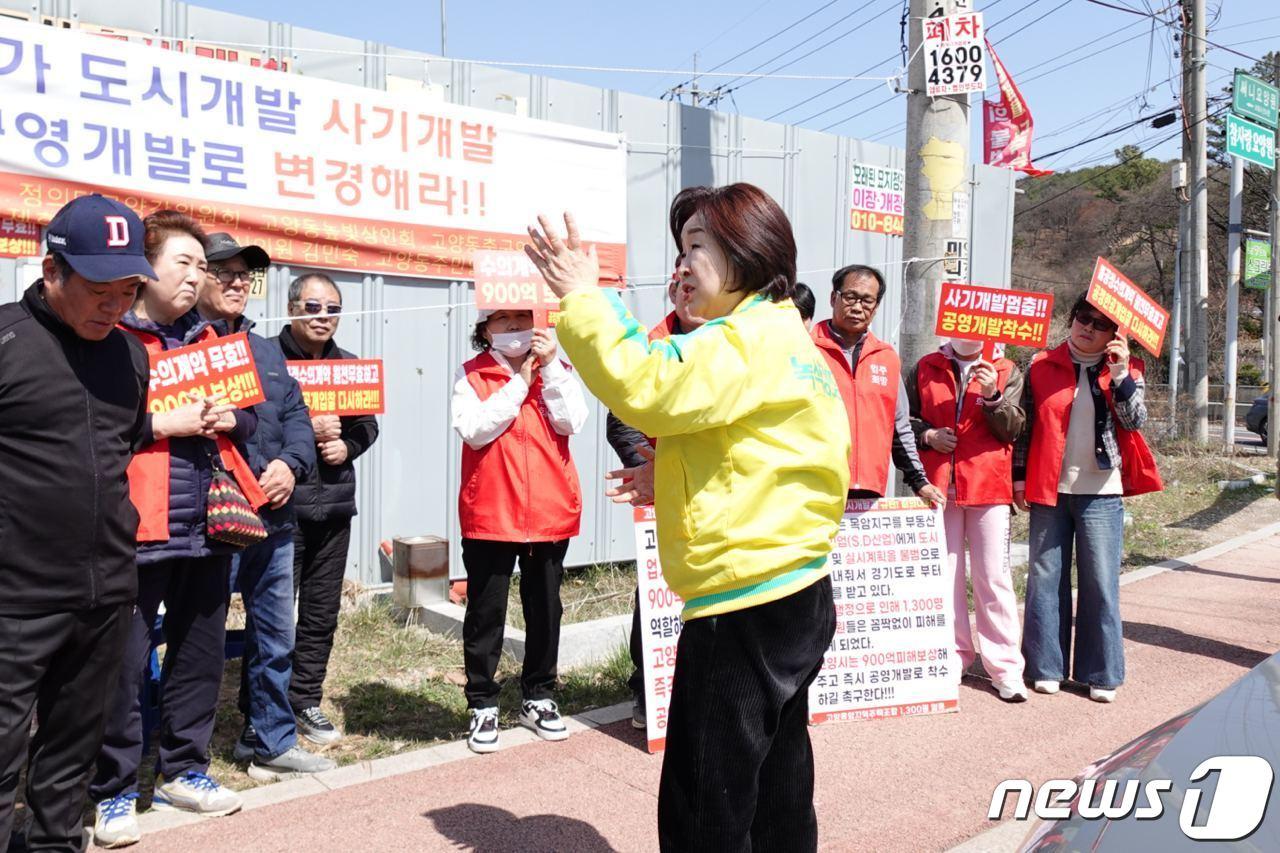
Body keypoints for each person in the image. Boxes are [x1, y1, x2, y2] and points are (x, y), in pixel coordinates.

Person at [525, 184, 851, 852]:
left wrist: (583, 296)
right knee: (780, 781)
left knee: (706, 800)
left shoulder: (741, 339)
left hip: (742, 602)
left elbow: (645, 383)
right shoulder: (786, 338)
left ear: (749, 253)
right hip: (797, 588)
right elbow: (766, 450)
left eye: (697, 246)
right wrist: (668, 472)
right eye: (681, 249)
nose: (682, 265)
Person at [92, 212, 267, 847]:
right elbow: (89, 427)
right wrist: (161, 424)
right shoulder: (111, 341)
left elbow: (251, 423)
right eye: (184, 264)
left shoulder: (217, 342)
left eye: (204, 267)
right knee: (122, 665)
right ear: (143, 268)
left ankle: (185, 769)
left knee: (199, 655)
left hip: (210, 525)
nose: (197, 278)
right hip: (136, 526)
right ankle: (111, 789)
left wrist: (227, 417)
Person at [0, 196, 153, 853]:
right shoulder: (6, 339)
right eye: (97, 290)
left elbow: (120, 454)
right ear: (51, 270)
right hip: (14, 600)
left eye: (126, 291)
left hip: (104, 595)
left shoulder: (132, 356)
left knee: (67, 765)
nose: (112, 306)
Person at [195, 234, 334, 781]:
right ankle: (187, 756)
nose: (236, 283)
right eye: (223, 272)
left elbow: (296, 415)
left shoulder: (265, 349)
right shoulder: (184, 346)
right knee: (199, 641)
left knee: (275, 636)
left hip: (273, 519)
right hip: (210, 523)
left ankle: (270, 739)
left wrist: (291, 465)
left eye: (244, 275)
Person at [451, 308, 589, 753]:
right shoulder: (472, 373)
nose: (514, 329)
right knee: (486, 612)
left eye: (522, 320)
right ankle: (482, 703)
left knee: (546, 608)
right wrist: (519, 383)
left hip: (548, 509)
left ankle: (540, 695)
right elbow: (473, 431)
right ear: (484, 330)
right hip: (491, 510)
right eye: (503, 321)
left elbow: (574, 422)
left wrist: (548, 370)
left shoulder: (557, 369)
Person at [1014, 295, 1162, 704]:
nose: (1088, 327)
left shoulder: (1126, 370)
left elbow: (1135, 421)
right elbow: (1026, 429)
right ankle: (1045, 666)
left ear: (1115, 335)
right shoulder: (1041, 364)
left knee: (1100, 580)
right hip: (1049, 488)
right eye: (1083, 317)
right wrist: (1019, 479)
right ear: (1072, 318)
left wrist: (1119, 374)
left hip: (1102, 491)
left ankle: (1102, 672)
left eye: (1100, 324)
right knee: (1045, 577)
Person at [278, 274, 380, 745]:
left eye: (333, 309)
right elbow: (251, 431)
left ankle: (306, 700)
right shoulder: (269, 361)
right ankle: (265, 704)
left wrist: (348, 446)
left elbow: (368, 427)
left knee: (321, 612)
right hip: (283, 508)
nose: (323, 317)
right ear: (293, 306)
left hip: (336, 506)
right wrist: (300, 431)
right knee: (276, 614)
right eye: (314, 306)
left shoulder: (349, 365)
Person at [602, 258, 703, 730]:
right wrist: (650, 468)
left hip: (717, 496)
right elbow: (620, 418)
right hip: (662, 494)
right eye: (679, 278)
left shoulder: (732, 341)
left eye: (696, 276)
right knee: (657, 594)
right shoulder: (649, 342)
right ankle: (647, 689)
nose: (687, 287)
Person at [906, 339, 1028, 702]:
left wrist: (993, 396)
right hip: (939, 484)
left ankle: (1006, 667)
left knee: (993, 577)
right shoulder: (926, 366)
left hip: (988, 485)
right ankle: (951, 657)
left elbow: (1015, 429)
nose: (968, 334)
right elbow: (904, 419)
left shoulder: (1006, 369)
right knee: (944, 576)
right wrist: (927, 435)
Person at [812, 265, 947, 506]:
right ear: (834, 298)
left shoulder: (887, 357)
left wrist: (920, 481)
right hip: (812, 485)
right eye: (850, 297)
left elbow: (899, 427)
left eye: (867, 301)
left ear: (876, 308)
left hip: (868, 490)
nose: (857, 307)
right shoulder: (805, 349)